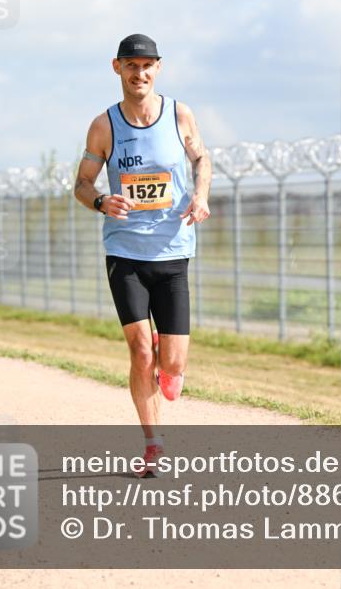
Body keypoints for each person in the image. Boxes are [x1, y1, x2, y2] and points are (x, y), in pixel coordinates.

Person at [74, 34, 212, 477]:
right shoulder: (104, 126)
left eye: (148, 65)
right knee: (139, 354)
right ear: (117, 68)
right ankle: (153, 446)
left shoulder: (180, 115)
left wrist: (201, 195)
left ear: (159, 68)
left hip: (172, 250)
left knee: (171, 366)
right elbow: (81, 183)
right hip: (125, 250)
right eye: (132, 66)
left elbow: (201, 159)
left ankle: (167, 358)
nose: (140, 74)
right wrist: (99, 202)